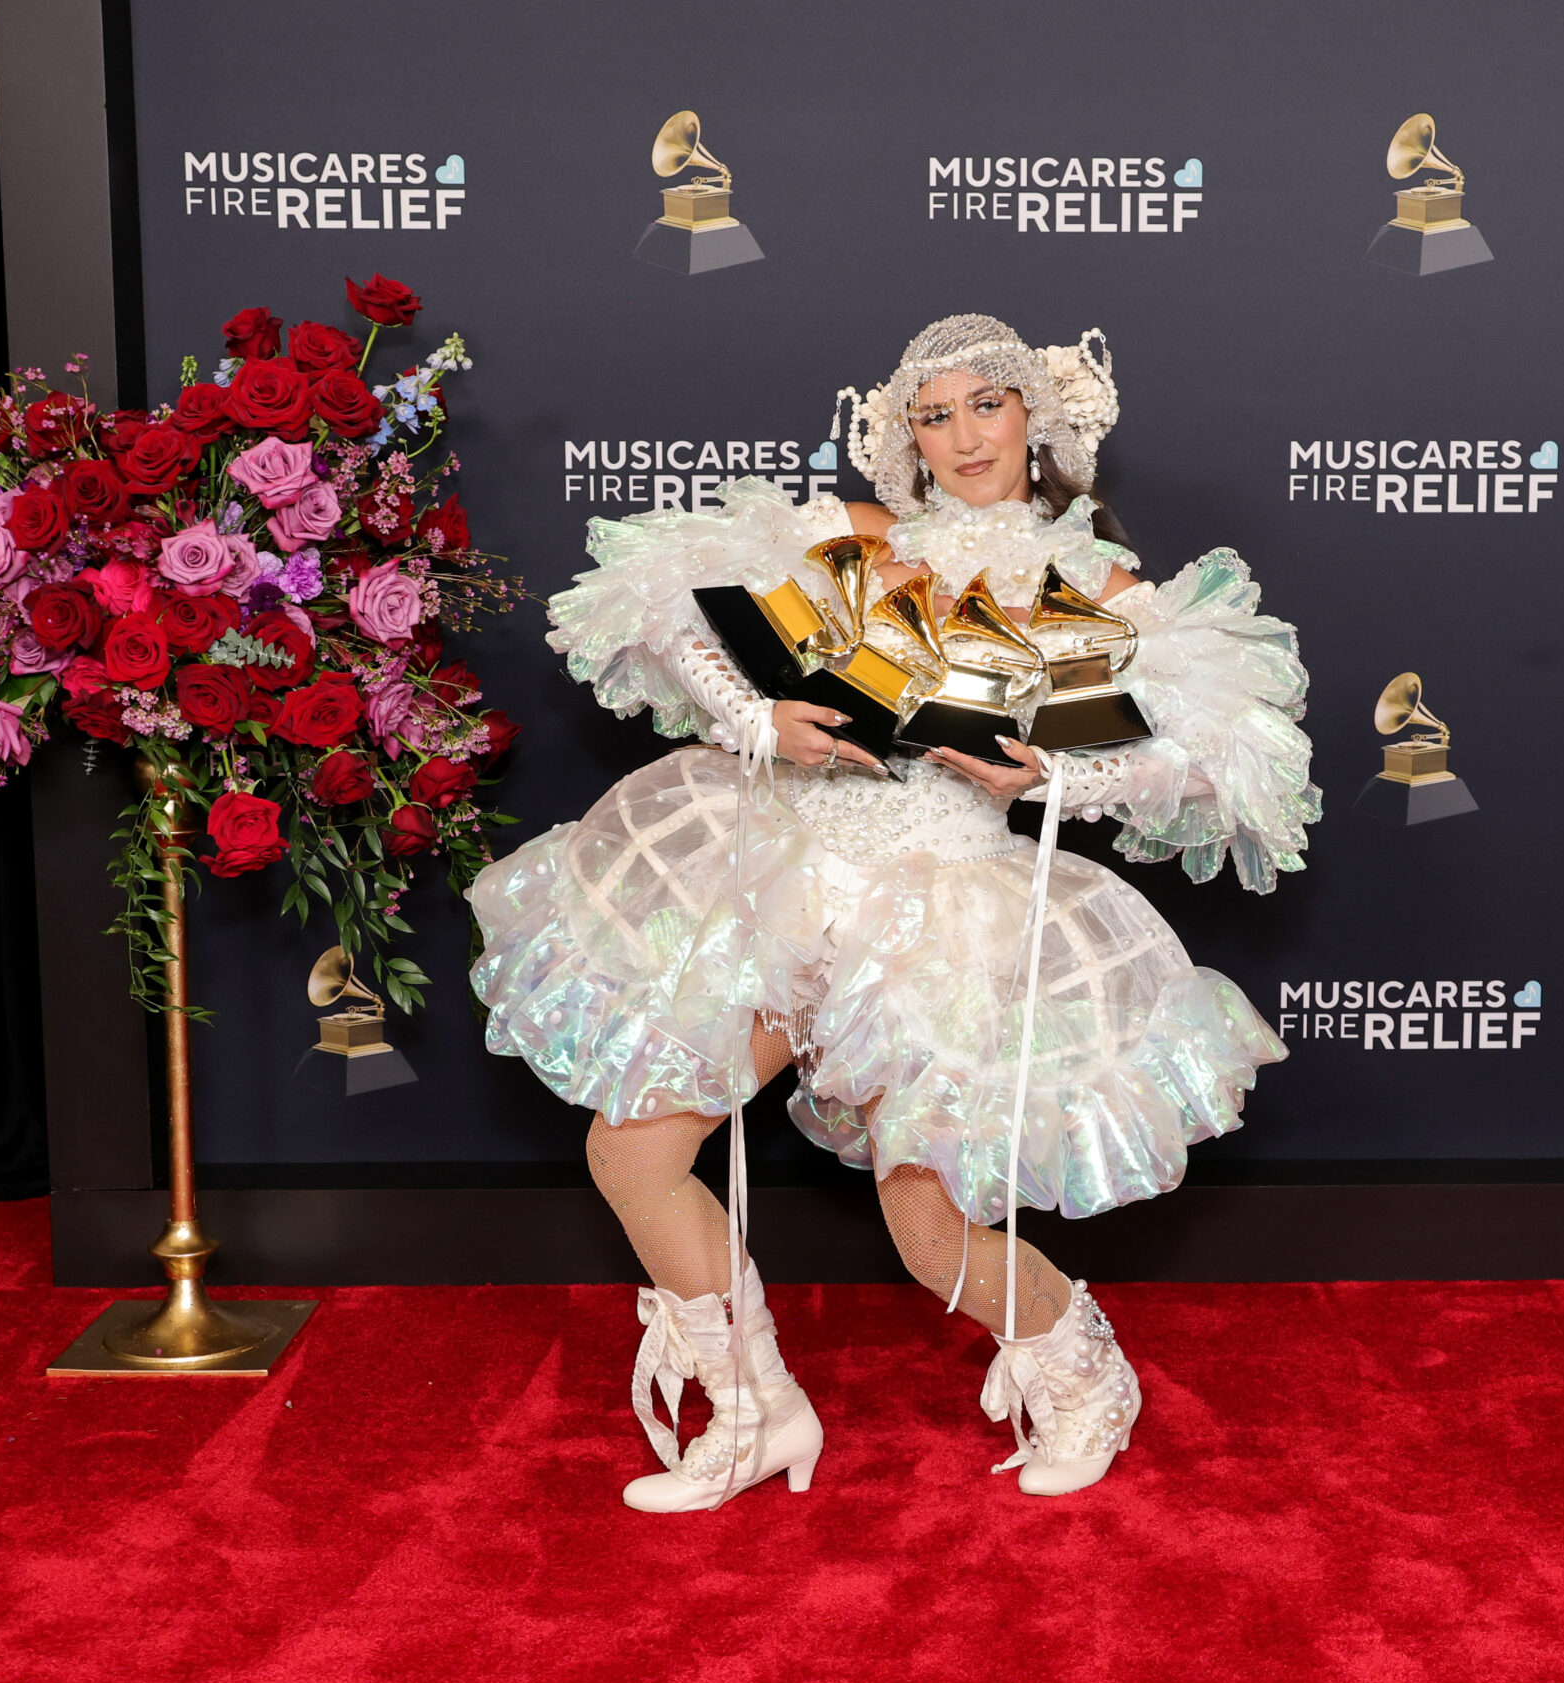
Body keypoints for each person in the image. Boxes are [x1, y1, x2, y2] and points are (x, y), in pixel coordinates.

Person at [468, 313, 1318, 1510]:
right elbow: (658, 592)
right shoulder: (860, 534)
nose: (963, 436)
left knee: (929, 1234)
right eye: (934, 414)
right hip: (783, 878)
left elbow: (1222, 758)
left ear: (1035, 415)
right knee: (633, 1149)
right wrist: (755, 718)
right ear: (904, 434)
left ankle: (1083, 1373)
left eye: (986, 405)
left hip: (940, 917)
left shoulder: (1098, 584)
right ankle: (754, 1408)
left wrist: (1049, 779)